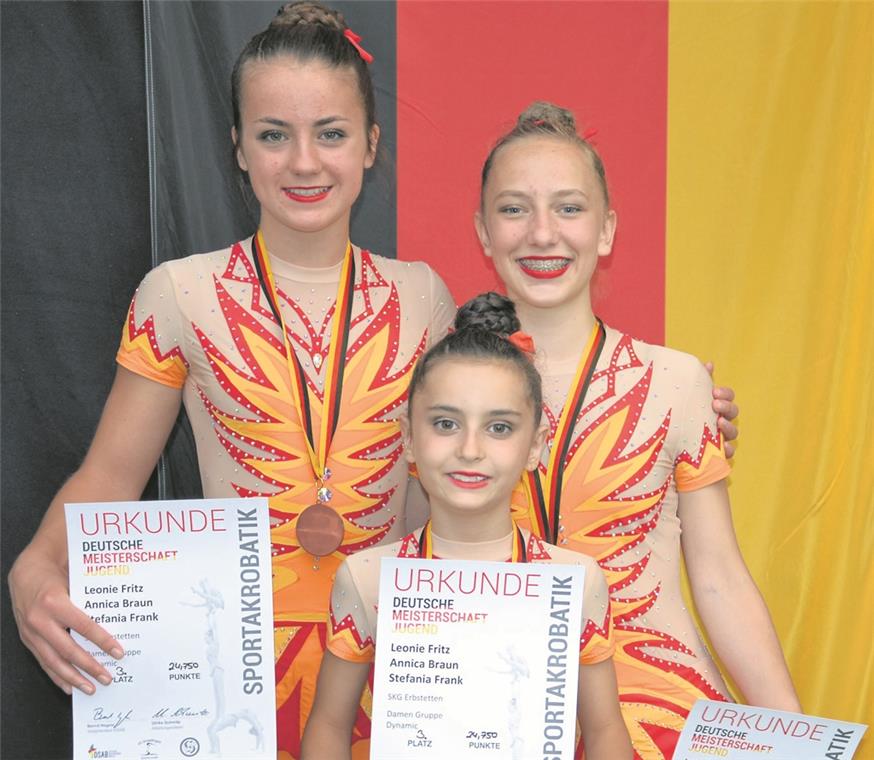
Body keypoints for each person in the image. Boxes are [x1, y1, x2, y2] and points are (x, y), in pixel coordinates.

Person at [7, 4, 454, 758]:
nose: (304, 162)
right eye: (274, 135)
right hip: (229, 692)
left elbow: (449, 491)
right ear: (238, 149)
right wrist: (33, 568)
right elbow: (110, 474)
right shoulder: (180, 294)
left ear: (372, 145)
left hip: (388, 678)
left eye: (332, 133)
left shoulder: (423, 298)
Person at [474, 102, 801, 760]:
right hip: (495, 713)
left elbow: (718, 576)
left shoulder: (677, 381)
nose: (543, 233)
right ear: (483, 232)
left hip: (660, 715)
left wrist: (792, 731)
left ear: (606, 230)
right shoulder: (448, 390)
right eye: (514, 209)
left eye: (569, 208)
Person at [301, 293, 634, 760]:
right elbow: (329, 726)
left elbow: (604, 732)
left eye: (499, 428)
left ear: (535, 445)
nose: (471, 449)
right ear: (409, 439)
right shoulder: (367, 576)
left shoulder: (575, 581)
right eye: (445, 424)